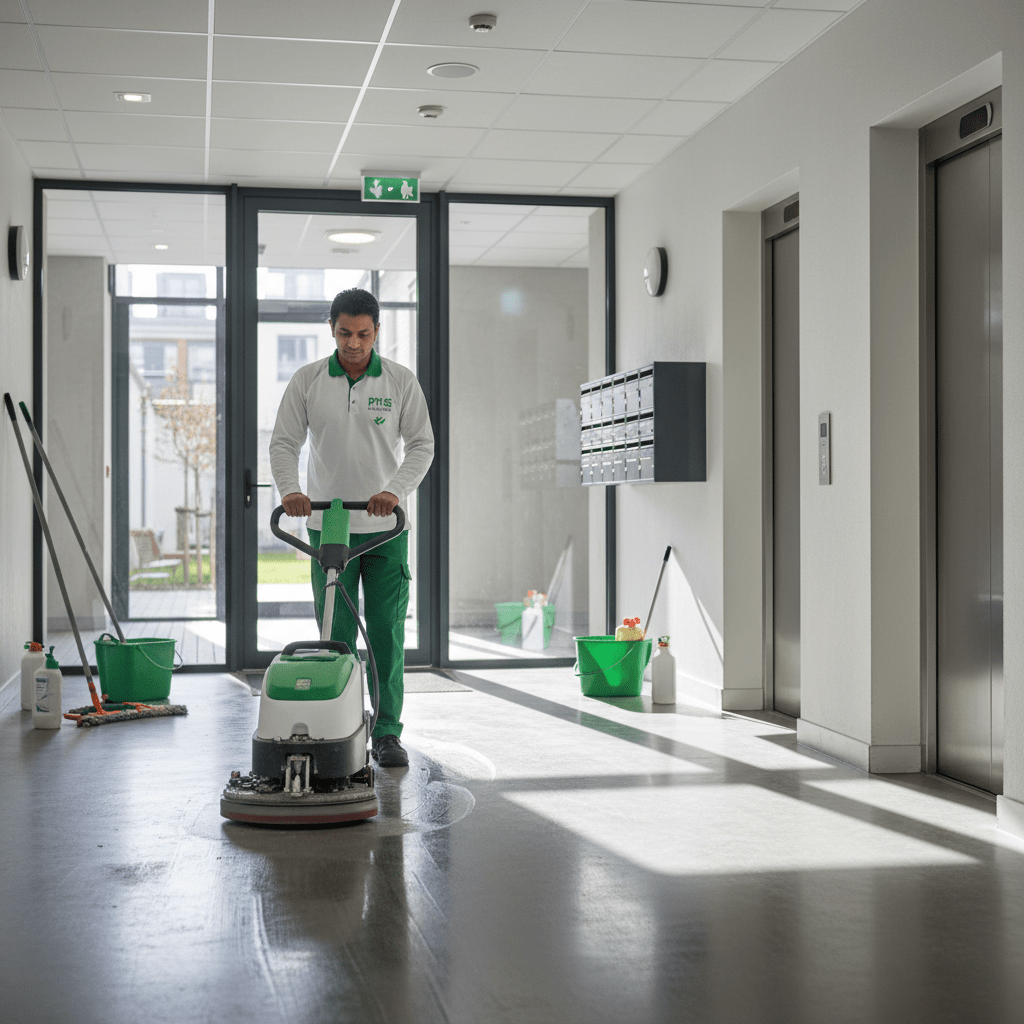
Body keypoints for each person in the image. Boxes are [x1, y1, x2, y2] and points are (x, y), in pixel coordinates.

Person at [270, 287, 434, 768]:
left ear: (377, 331)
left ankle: (386, 732)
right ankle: (339, 721)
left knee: (384, 633)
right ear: (332, 329)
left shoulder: (400, 382)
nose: (355, 343)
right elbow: (284, 443)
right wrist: (290, 491)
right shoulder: (309, 380)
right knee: (335, 635)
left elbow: (421, 446)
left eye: (364, 334)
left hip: (386, 528)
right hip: (332, 523)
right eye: (345, 333)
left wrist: (395, 490)